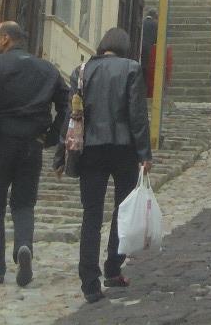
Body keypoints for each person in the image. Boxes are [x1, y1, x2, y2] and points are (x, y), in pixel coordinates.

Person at [0, 19, 68, 288]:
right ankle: (24, 246)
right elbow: (67, 101)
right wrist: (53, 135)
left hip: (0, 141)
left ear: (6, 40)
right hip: (32, 143)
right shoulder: (47, 69)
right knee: (23, 203)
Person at [59, 26, 152, 304]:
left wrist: (59, 155)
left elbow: (71, 115)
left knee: (91, 213)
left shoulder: (82, 71)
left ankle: (89, 282)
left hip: (90, 149)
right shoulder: (131, 69)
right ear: (124, 46)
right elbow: (137, 114)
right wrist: (145, 153)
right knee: (122, 210)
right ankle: (113, 267)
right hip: (123, 148)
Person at [139, 9, 172, 99]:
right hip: (151, 52)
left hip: (140, 50)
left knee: (141, 71)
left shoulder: (141, 23)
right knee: (148, 73)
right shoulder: (156, 25)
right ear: (155, 17)